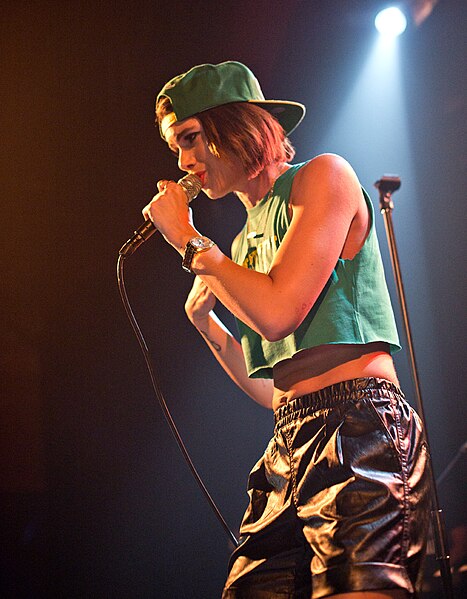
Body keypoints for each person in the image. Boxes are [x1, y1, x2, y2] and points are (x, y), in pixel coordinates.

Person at [143, 61, 430, 598]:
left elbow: (280, 313)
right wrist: (205, 324)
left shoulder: (323, 177)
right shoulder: (243, 244)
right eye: (175, 147)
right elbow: (274, 393)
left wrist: (189, 240)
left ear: (238, 126)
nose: (183, 162)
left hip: (359, 425)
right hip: (290, 442)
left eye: (190, 138)